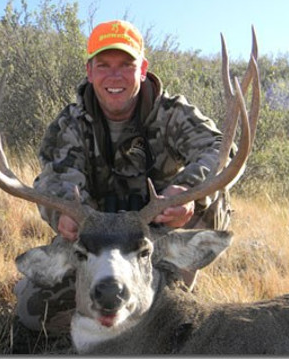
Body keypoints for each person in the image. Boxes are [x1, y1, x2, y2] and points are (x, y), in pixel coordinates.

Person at [14, 20, 231, 335]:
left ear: (142, 68)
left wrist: (189, 191)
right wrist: (64, 212)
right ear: (90, 72)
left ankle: (174, 289)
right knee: (34, 311)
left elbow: (220, 148)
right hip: (99, 241)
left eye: (126, 65)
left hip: (156, 237)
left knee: (210, 195)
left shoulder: (172, 113)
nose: (114, 76)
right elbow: (56, 176)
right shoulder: (71, 124)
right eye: (104, 65)